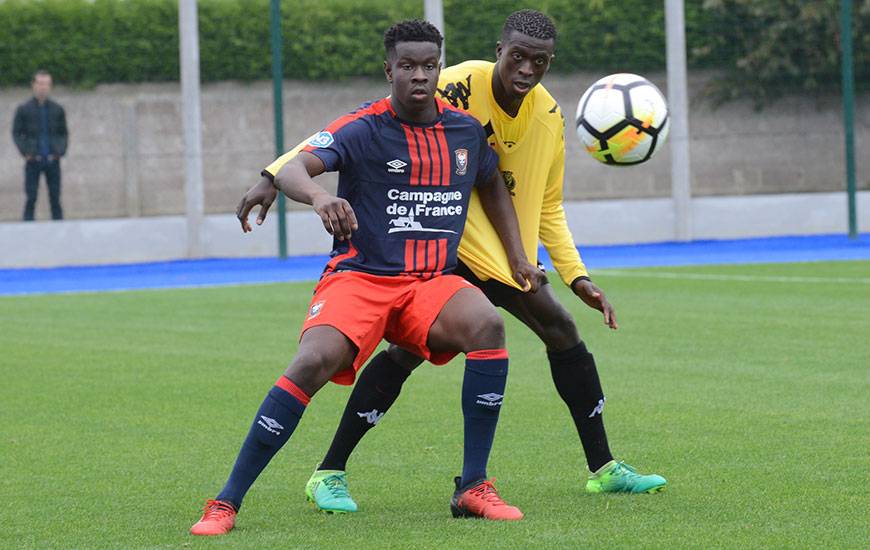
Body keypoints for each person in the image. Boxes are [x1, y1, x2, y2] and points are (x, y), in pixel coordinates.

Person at [271, 9, 667, 514]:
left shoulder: (548, 117)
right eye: (518, 57)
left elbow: (548, 206)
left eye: (539, 61)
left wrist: (577, 275)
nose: (526, 69)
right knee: (403, 355)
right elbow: (360, 121)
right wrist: (275, 171)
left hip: (507, 258)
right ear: (499, 51)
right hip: (445, 252)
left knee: (564, 333)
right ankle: (329, 471)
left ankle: (604, 469)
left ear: (550, 63)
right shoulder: (455, 84)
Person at [189, 20, 545, 536]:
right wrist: (321, 196)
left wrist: (517, 257)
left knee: (488, 325)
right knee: (312, 361)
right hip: (361, 278)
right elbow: (294, 168)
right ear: (389, 69)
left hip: (429, 283)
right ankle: (225, 502)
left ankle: (472, 486)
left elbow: (492, 185)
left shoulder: (465, 130)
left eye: (428, 66)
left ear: (439, 68)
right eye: (407, 66)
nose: (419, 76)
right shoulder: (363, 126)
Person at [12, 70, 68, 221]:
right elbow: (16, 133)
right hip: (33, 161)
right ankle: (27, 234)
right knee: (31, 198)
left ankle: (60, 234)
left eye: (47, 84)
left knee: (55, 199)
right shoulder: (24, 109)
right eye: (40, 83)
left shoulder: (57, 109)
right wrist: (26, 151)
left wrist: (60, 151)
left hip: (52, 160)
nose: (43, 87)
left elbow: (63, 133)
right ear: (33, 85)